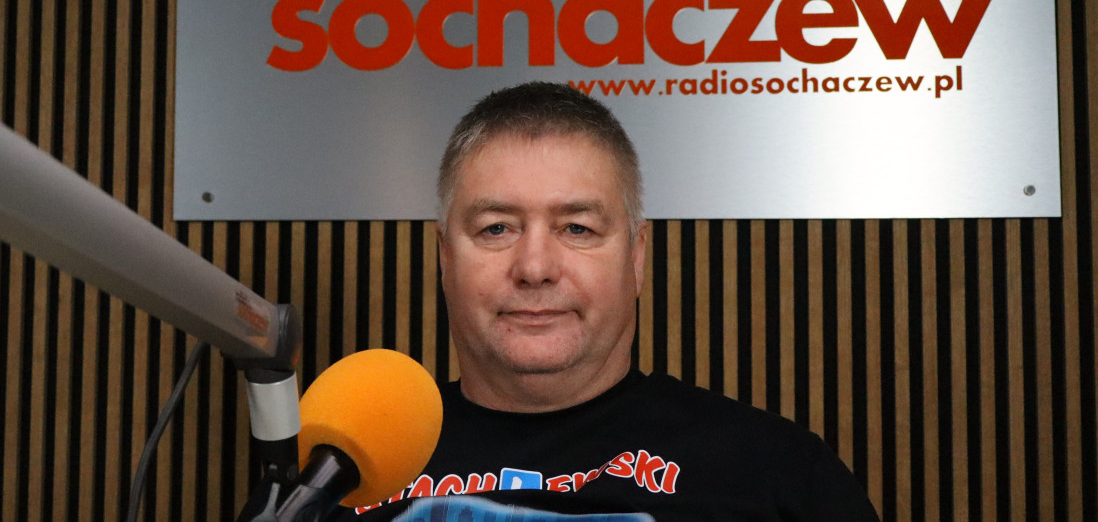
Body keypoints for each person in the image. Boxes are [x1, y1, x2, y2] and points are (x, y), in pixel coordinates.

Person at [343, 82, 880, 520]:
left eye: (577, 228)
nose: (535, 268)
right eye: (497, 228)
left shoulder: (775, 472)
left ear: (636, 255)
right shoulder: (341, 475)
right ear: (445, 256)